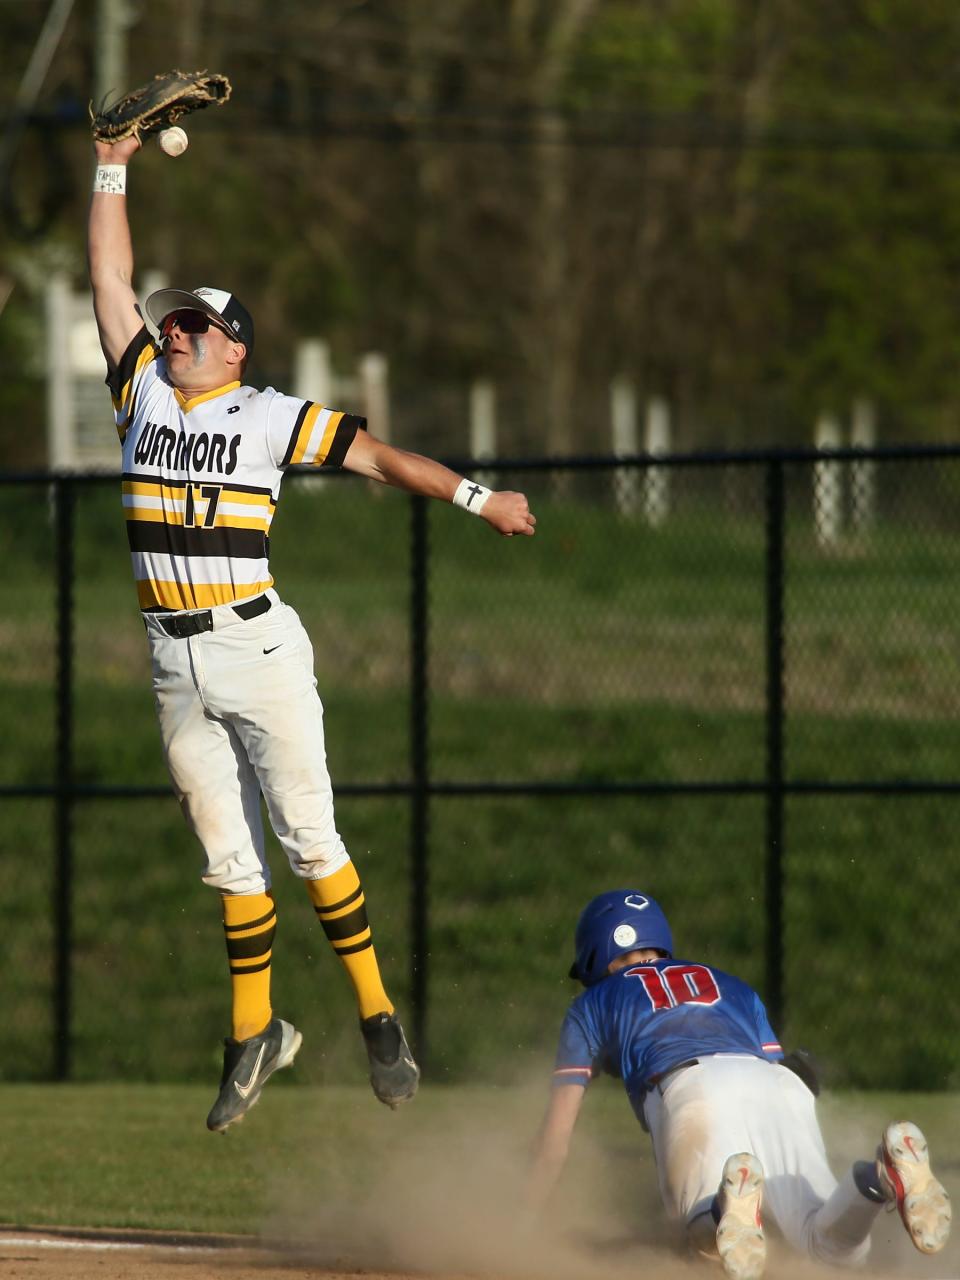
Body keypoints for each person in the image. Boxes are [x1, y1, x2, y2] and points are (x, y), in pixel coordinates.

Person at [86, 134, 536, 1135]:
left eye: (201, 327)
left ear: (238, 347)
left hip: (257, 648)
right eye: (178, 324)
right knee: (225, 856)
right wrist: (112, 159)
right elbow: (110, 276)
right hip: (173, 657)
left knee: (309, 840)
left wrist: (476, 496)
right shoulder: (142, 393)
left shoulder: (267, 415)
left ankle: (378, 1015)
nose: (180, 334)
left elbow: (377, 458)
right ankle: (255, 1032)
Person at [525, 890, 951, 1279]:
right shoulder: (730, 983)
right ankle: (881, 1177)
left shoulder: (591, 1004)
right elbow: (787, 1068)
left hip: (690, 1088)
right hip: (778, 1084)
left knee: (698, 1244)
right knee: (827, 1247)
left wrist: (523, 1223)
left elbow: (555, 1141)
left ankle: (724, 1209)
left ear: (597, 956)